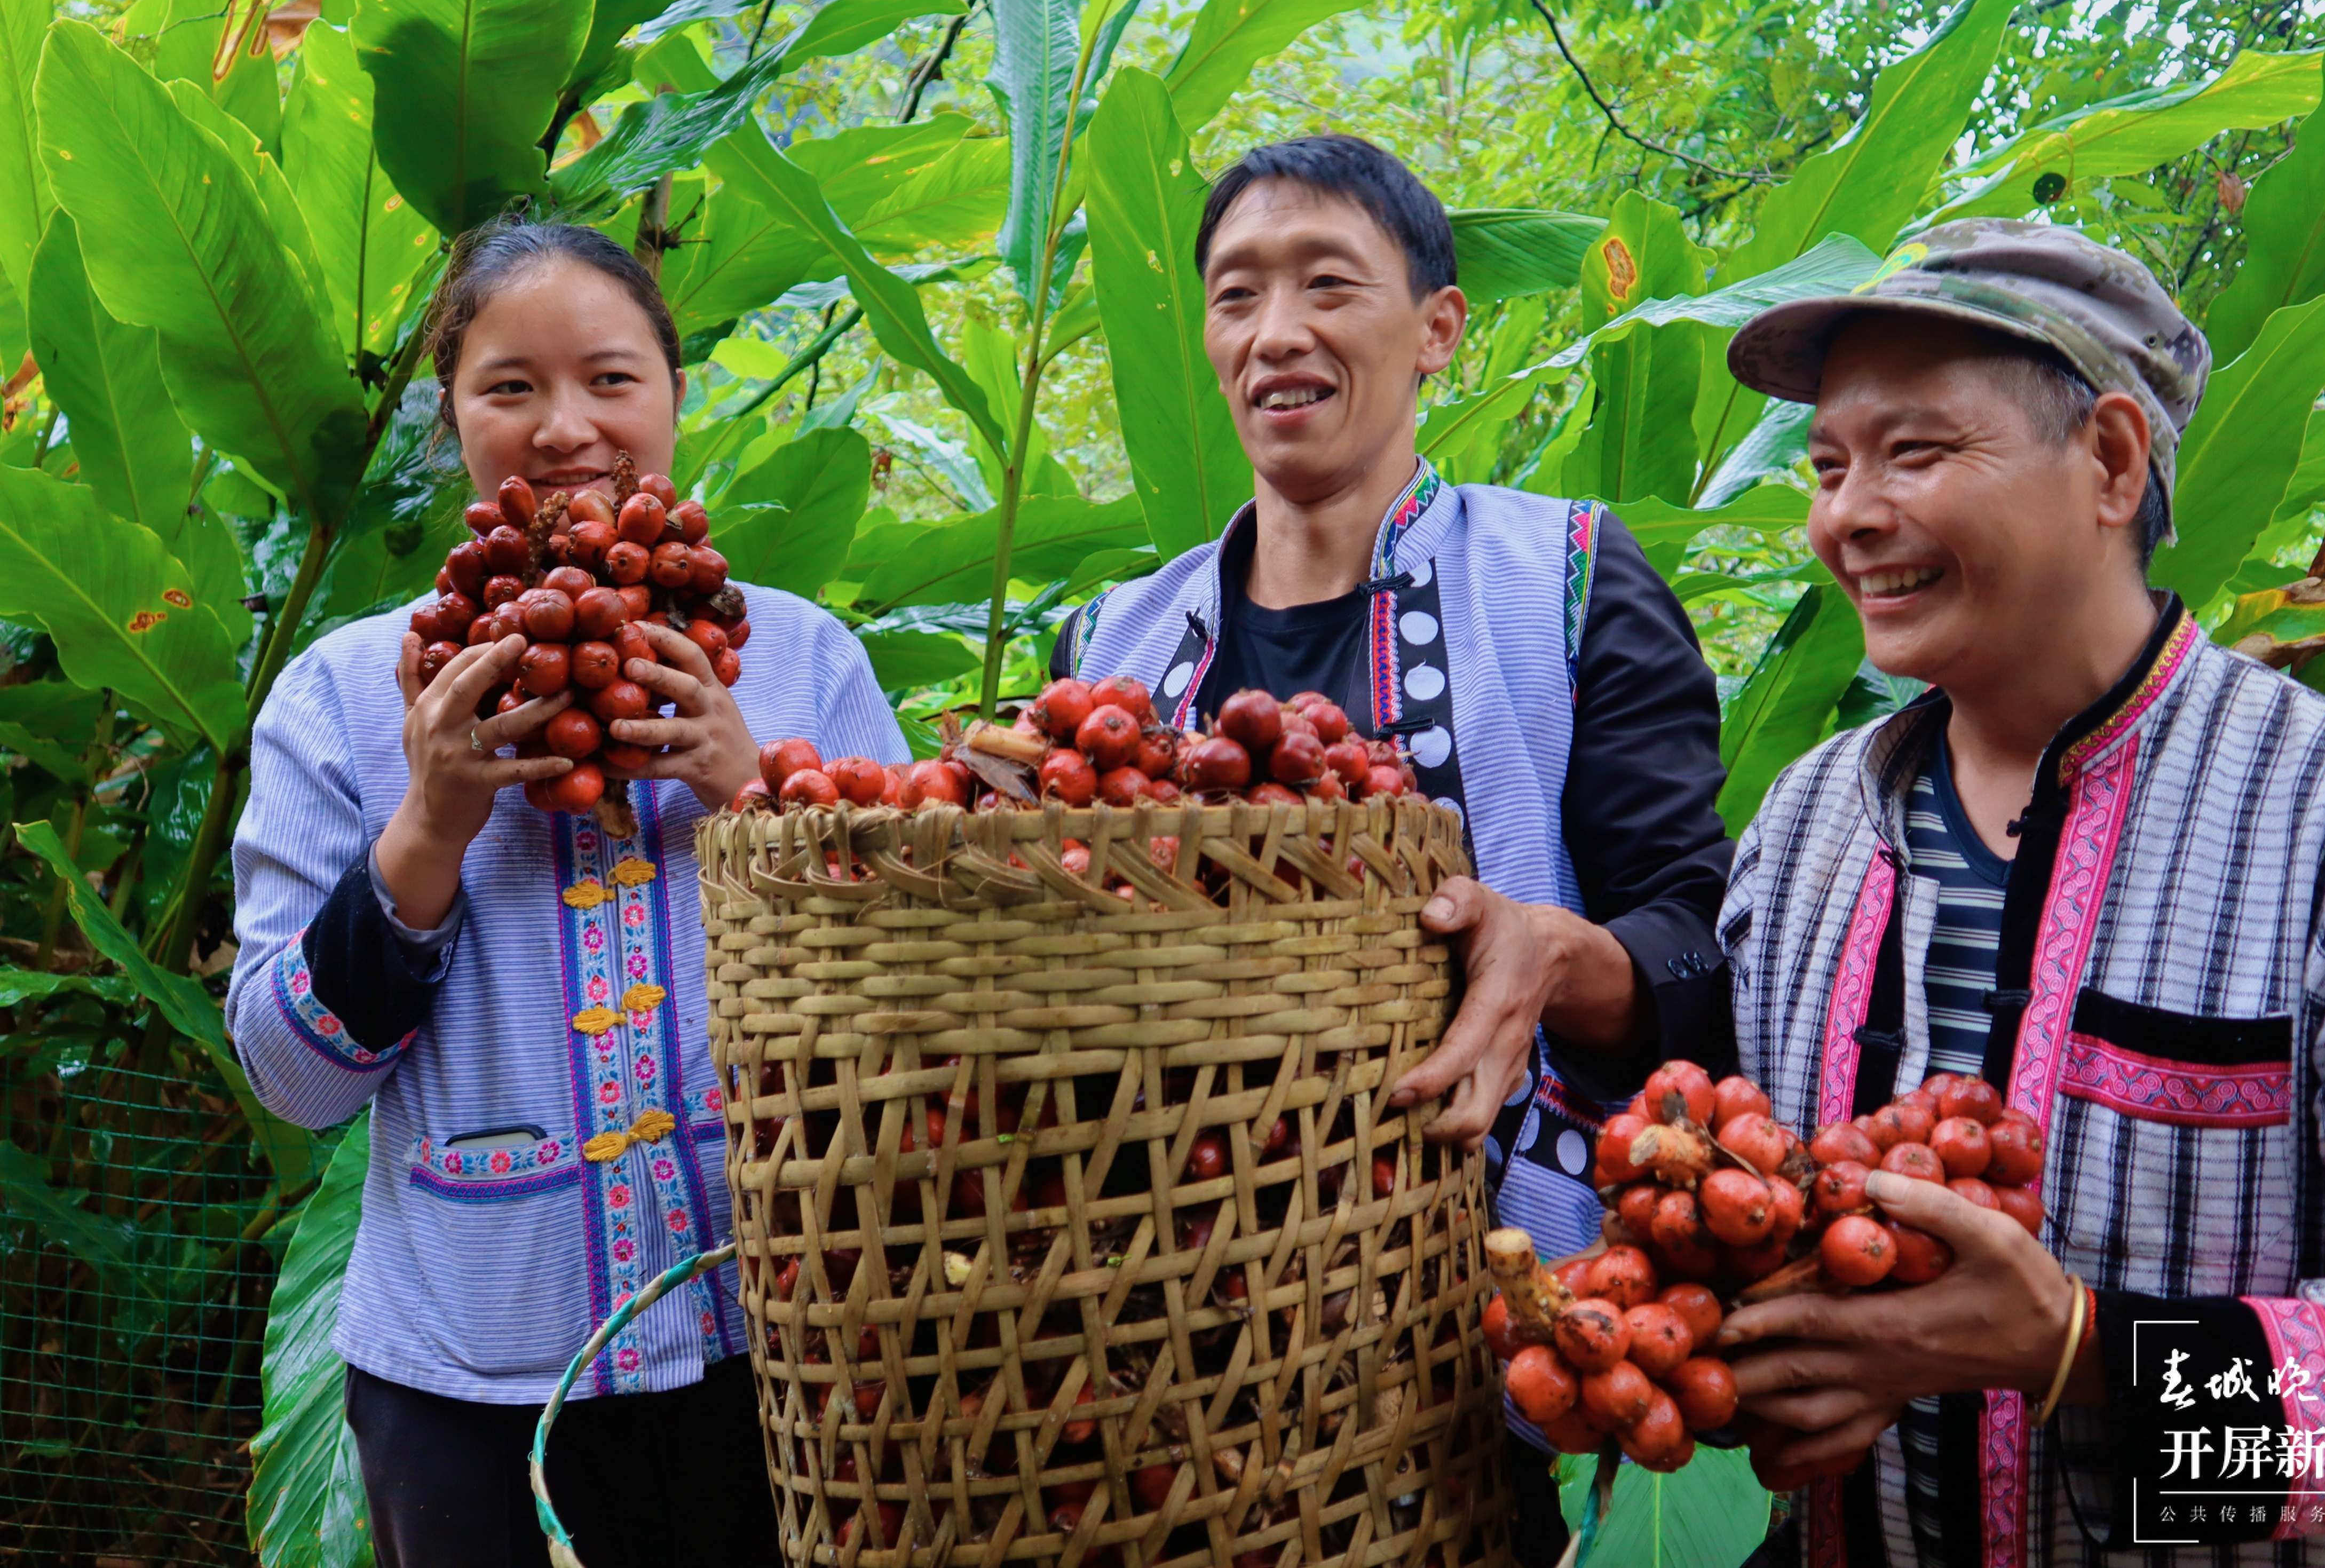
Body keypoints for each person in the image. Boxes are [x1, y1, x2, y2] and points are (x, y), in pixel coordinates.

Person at [1699, 219, 2325, 1563]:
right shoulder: (1804, 827)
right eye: (1827, 466)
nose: (1846, 514)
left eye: (1914, 452)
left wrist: (2083, 1356)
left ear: (2109, 460)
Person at [1048, 133, 1735, 1563]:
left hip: (1467, 1346)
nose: (1274, 331)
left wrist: (1556, 954)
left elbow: (1697, 945)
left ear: (1436, 329)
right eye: (1236, 295)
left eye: (1326, 284)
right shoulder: (1107, 648)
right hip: (1152, 1349)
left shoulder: (1566, 582)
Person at [228, 219, 907, 1568]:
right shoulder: (349, 696)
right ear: (451, 416)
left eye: (610, 378)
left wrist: (750, 789)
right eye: (509, 387)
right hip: (471, 1376)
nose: (566, 428)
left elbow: (923, 997)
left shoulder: (802, 666)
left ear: (670, 394)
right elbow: (291, 1079)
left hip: (786, 1348)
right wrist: (429, 822)